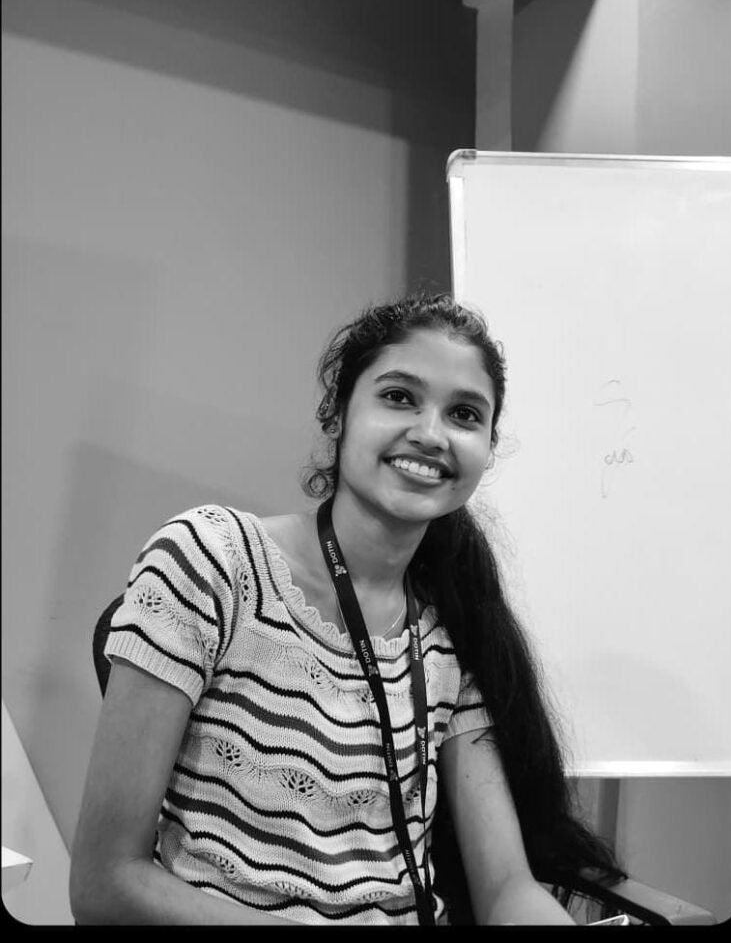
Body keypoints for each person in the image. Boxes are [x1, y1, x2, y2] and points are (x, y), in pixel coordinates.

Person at [70, 292, 625, 926]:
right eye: (398, 397)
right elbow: (105, 886)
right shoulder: (211, 559)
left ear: (488, 450)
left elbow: (506, 890)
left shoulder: (452, 627)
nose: (430, 432)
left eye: (464, 414)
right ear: (336, 416)